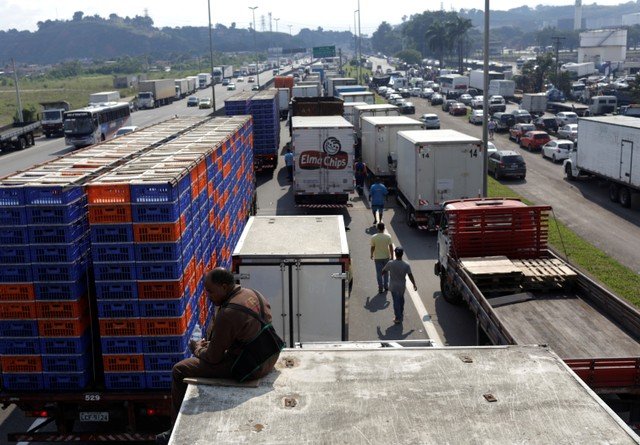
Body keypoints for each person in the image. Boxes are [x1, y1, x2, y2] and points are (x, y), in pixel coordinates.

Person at [155, 268, 280, 445]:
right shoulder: (253, 293)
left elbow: (213, 358)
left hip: (252, 367)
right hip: (270, 354)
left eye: (210, 291)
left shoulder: (228, 313)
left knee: (180, 369)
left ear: (224, 286)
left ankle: (173, 428)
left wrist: (197, 349)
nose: (208, 295)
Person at [382, 247, 417, 324]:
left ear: (395, 254)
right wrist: (414, 284)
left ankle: (397, 317)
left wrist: (382, 275)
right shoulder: (406, 264)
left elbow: (383, 271)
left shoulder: (390, 263)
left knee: (395, 301)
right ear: (402, 254)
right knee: (401, 299)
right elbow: (410, 275)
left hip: (393, 286)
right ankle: (400, 313)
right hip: (401, 286)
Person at [370, 222, 394, 293]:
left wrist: (371, 255)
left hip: (377, 258)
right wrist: (392, 256)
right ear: (384, 228)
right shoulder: (388, 236)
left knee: (379, 273)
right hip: (386, 257)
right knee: (386, 272)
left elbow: (372, 247)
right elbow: (391, 247)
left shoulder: (374, 237)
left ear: (377, 228)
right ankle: (386, 286)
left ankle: (380, 287)